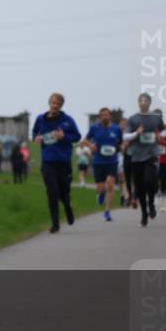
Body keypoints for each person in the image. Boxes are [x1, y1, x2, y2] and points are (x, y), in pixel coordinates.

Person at [32, 92, 82, 233]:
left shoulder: (68, 120)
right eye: (54, 103)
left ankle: (67, 207)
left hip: (63, 161)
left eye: (58, 104)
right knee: (52, 191)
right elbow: (35, 132)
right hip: (48, 161)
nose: (55, 106)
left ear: (61, 106)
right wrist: (36, 138)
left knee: (64, 192)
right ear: (49, 103)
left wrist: (63, 136)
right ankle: (55, 223)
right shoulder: (40, 119)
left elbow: (77, 136)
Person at [124, 92, 163, 227]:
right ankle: (144, 213)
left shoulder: (156, 117)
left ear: (149, 103)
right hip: (137, 156)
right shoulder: (133, 119)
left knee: (149, 180)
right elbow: (125, 136)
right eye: (141, 100)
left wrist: (159, 135)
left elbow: (163, 131)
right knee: (140, 186)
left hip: (152, 154)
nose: (143, 102)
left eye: (145, 100)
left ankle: (151, 203)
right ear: (138, 103)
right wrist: (136, 133)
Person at [83, 107, 122, 222]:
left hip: (112, 161)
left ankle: (107, 212)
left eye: (107, 115)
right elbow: (86, 140)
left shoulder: (116, 129)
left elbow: (121, 142)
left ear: (110, 116)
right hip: (98, 161)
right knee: (100, 188)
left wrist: (121, 147)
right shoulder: (94, 128)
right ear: (100, 117)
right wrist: (91, 145)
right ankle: (101, 193)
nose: (105, 117)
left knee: (110, 184)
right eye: (102, 115)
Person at [119, 117, 135, 208]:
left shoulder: (130, 134)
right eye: (122, 124)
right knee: (121, 179)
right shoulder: (117, 134)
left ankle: (127, 197)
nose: (123, 126)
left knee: (126, 178)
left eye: (125, 124)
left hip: (128, 158)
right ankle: (124, 195)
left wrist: (125, 145)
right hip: (118, 158)